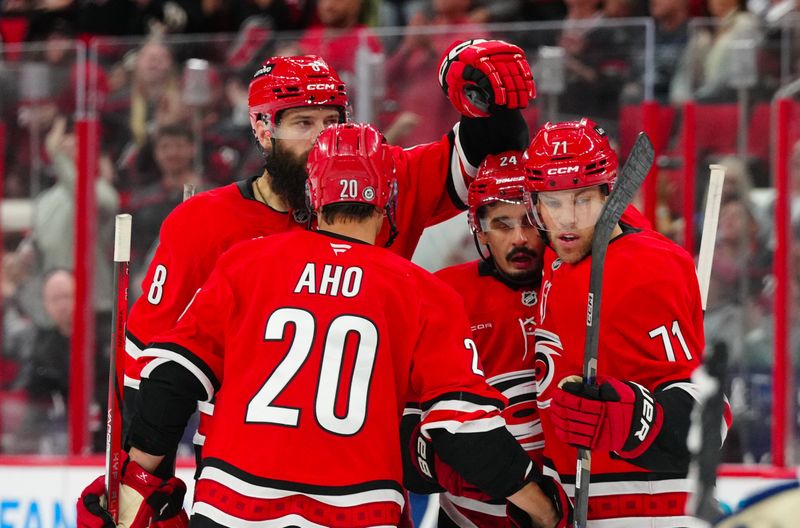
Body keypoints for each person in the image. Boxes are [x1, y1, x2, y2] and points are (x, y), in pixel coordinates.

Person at [108, 40, 534, 521]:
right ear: (262, 128)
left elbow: (490, 145)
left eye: (332, 123)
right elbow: (151, 377)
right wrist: (146, 487)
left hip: (354, 480)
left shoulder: (381, 180)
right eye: (302, 124)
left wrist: (492, 102)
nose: (321, 139)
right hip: (245, 478)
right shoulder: (202, 224)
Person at [525, 118, 730, 527]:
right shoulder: (562, 251)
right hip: (575, 500)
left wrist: (630, 417)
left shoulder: (648, 268)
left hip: (644, 506)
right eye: (553, 202)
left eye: (582, 200)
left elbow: (710, 414)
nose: (566, 220)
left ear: (609, 195)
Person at [404, 152, 551, 527]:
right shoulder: (444, 293)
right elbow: (404, 418)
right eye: (501, 225)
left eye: (530, 222)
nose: (519, 238)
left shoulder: (578, 284)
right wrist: (438, 466)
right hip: (468, 515)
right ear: (480, 231)